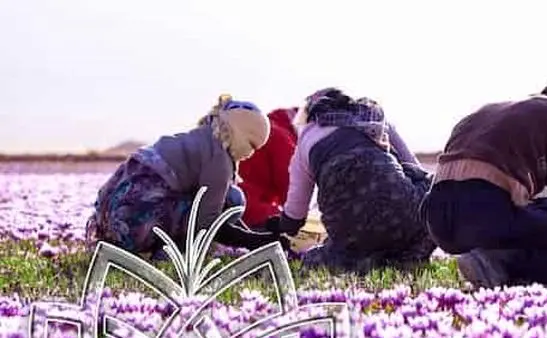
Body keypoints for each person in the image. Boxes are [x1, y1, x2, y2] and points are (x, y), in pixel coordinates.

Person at [419, 80, 547, 289]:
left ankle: (492, 258)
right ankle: (503, 263)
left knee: (530, 222)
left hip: (435, 218)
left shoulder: (489, 112)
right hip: (482, 210)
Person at [85, 96, 286, 257]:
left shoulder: (203, 138)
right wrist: (257, 242)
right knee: (234, 200)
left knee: (227, 198)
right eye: (251, 145)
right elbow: (209, 224)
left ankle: (159, 245)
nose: (251, 154)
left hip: (111, 219)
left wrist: (257, 235)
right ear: (240, 133)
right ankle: (172, 252)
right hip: (133, 225)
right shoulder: (219, 160)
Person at [263, 88, 435, 271]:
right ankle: (408, 257)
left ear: (311, 114)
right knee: (434, 193)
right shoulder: (373, 118)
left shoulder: (306, 140)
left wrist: (279, 225)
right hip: (400, 213)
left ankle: (358, 259)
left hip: (350, 234)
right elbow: (415, 167)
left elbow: (294, 217)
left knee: (338, 253)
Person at [237, 107, 299, 228]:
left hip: (230, 202)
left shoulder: (263, 129)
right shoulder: (282, 138)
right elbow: (292, 192)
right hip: (253, 211)